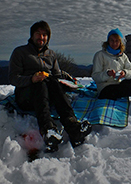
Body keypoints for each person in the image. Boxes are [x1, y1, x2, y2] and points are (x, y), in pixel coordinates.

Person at [9, 20, 92, 152]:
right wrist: (32, 79)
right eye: (38, 34)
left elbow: (57, 74)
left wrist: (68, 79)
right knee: (41, 83)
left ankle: (73, 127)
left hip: (46, 95)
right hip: (26, 96)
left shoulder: (51, 54)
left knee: (53, 82)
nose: (41, 37)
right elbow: (13, 78)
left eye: (44, 34)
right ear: (32, 35)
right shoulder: (20, 52)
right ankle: (48, 129)